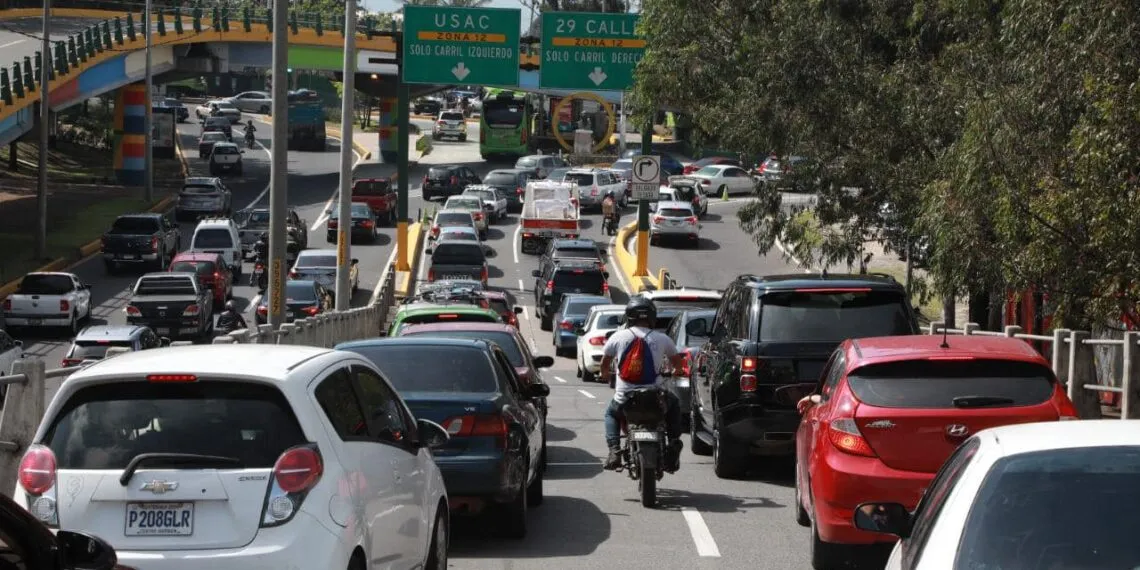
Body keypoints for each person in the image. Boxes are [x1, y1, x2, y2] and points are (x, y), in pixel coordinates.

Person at [599, 296, 686, 471]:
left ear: (629, 316)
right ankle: (674, 443)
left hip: (625, 397)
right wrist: (677, 372)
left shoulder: (618, 337)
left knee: (611, 414)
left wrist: (605, 374)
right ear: (652, 317)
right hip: (656, 395)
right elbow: (678, 364)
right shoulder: (662, 339)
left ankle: (614, 450)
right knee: (674, 405)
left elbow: (605, 363)